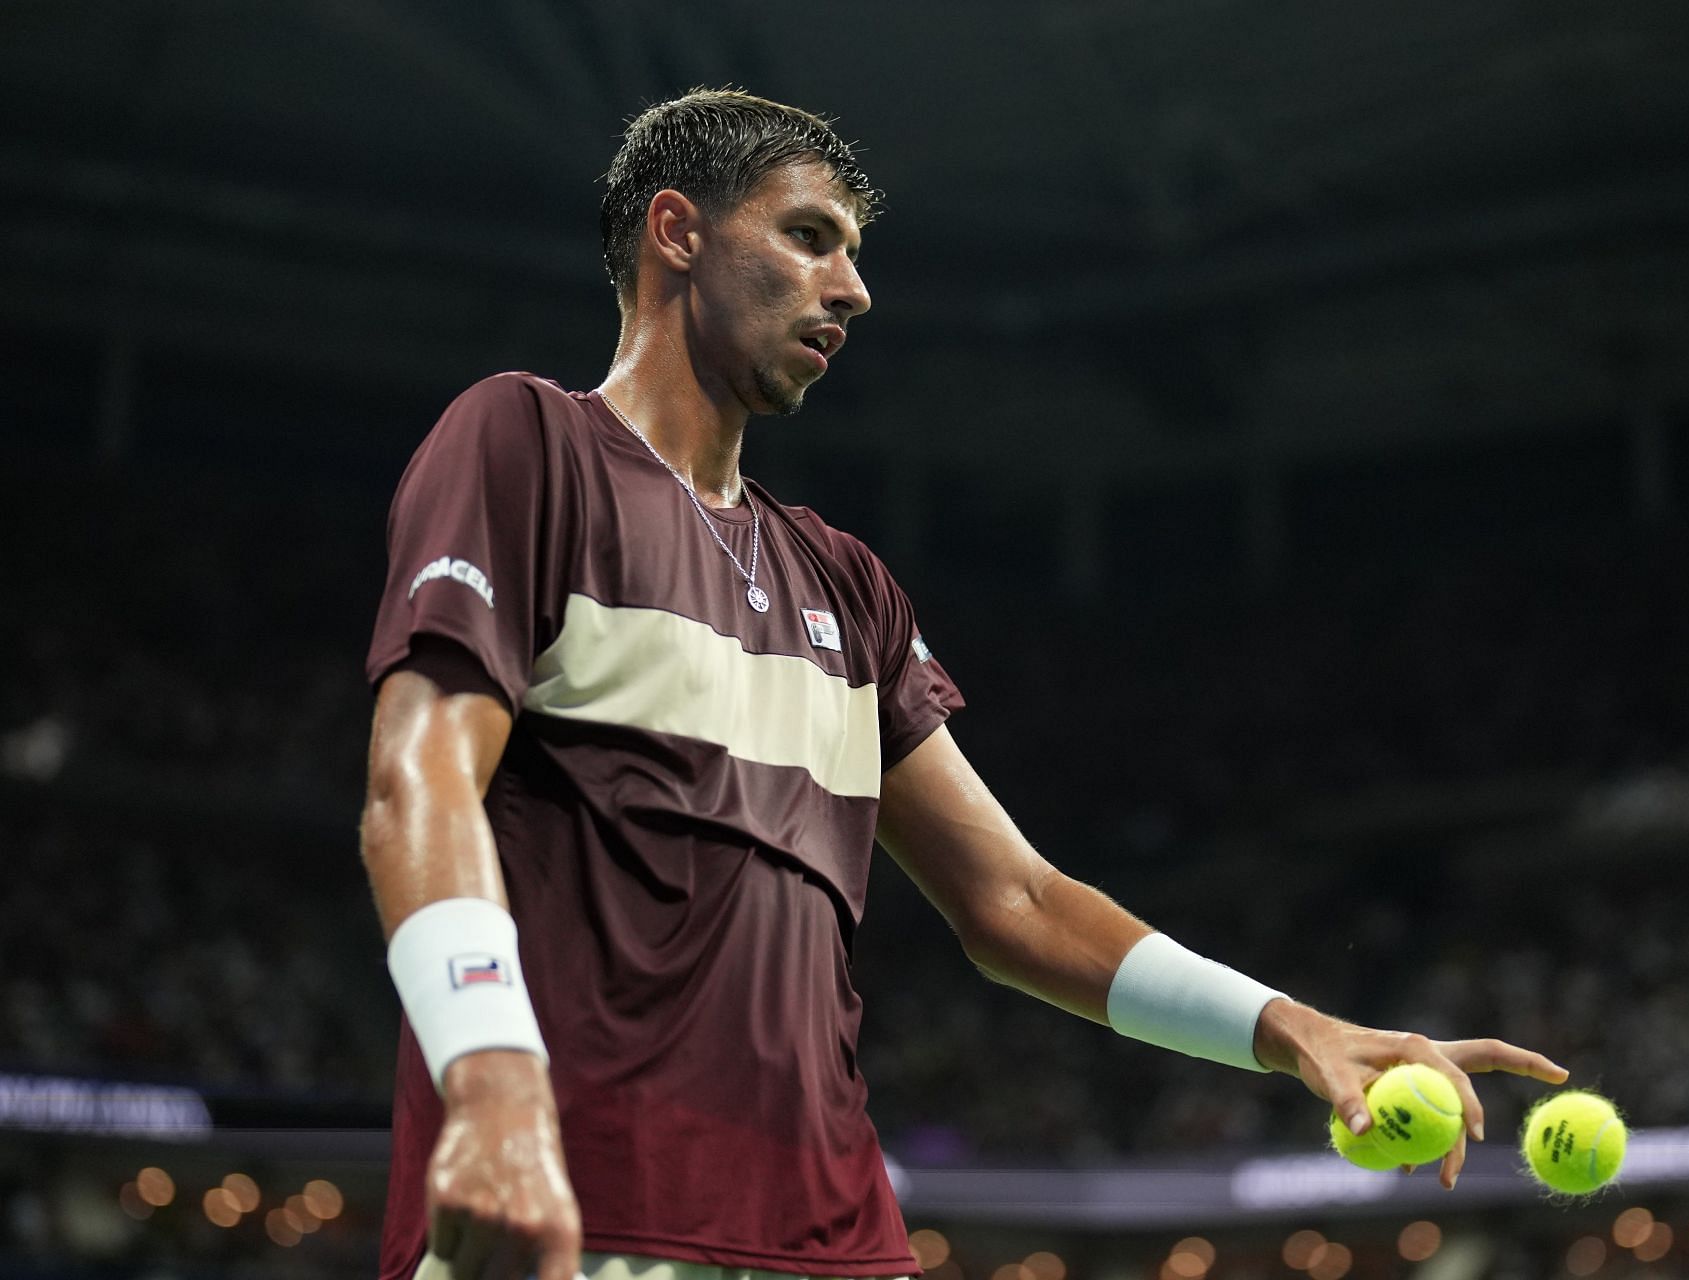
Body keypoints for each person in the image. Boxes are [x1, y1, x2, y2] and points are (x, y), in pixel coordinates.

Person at [360, 88, 1569, 1280]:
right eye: (809, 236)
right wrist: (494, 1081)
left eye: (855, 253)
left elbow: (1017, 903)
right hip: (576, 1211)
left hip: (831, 1239)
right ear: (677, 232)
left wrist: (1289, 1025)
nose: (853, 287)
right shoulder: (529, 444)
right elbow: (416, 783)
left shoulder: (846, 582)